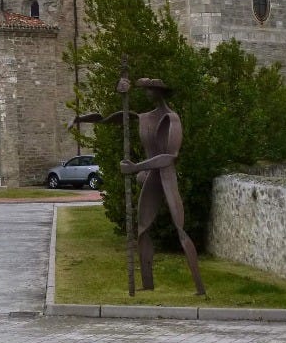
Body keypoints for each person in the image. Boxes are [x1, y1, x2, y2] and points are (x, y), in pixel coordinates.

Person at [70, 77, 205, 295]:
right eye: (144, 90)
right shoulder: (144, 117)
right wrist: (80, 118)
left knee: (180, 229)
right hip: (152, 177)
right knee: (142, 231)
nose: (146, 94)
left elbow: (170, 156)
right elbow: (110, 119)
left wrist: (136, 167)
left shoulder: (172, 119)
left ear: (159, 92)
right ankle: (147, 284)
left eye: (149, 90)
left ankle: (199, 287)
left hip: (166, 177)